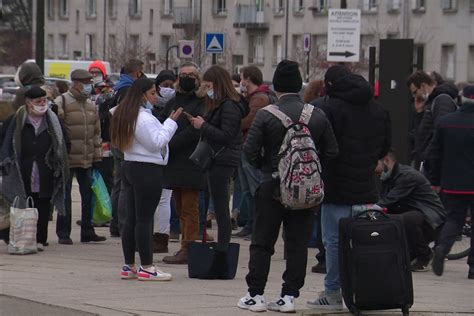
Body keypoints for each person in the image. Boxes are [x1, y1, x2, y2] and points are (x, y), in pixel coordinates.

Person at [238, 60, 339, 313]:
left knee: (263, 241)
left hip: (271, 185)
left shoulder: (266, 115)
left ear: (277, 86)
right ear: (299, 86)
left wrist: (268, 167)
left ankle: (256, 295)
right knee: (296, 244)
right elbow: (332, 151)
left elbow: (249, 152)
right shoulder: (316, 115)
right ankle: (288, 297)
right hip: (305, 190)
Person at [307, 65, 391, 310]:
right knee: (364, 242)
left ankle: (332, 293)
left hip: (335, 188)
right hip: (366, 188)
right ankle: (364, 291)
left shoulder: (326, 108)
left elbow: (316, 144)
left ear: (330, 85)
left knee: (333, 242)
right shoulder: (379, 109)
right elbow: (384, 147)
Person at [111, 77, 181, 281]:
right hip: (147, 169)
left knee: (131, 218)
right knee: (144, 219)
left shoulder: (124, 113)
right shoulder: (142, 117)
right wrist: (171, 123)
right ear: (142, 94)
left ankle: (129, 264)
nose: (155, 97)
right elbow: (156, 142)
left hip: (130, 165)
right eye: (152, 93)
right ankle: (147, 266)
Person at [187, 65, 247, 276]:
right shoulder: (219, 104)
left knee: (221, 208)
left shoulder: (229, 106)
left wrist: (202, 126)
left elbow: (226, 135)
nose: (206, 89)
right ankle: (221, 251)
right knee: (219, 205)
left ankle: (222, 253)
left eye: (209, 85)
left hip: (222, 160)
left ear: (218, 84)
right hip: (217, 160)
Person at [1, 86, 69, 251]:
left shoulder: (53, 120)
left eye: (44, 100)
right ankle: (18, 236)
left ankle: (40, 239)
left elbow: (64, 142)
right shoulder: (16, 120)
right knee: (20, 202)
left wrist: (58, 162)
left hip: (45, 169)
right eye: (39, 101)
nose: (42, 104)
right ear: (28, 103)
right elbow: (4, 141)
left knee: (43, 203)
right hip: (21, 169)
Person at [159, 62, 207, 263]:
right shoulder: (174, 100)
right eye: (184, 74)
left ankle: (189, 247)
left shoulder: (202, 102)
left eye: (191, 75)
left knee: (189, 206)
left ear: (198, 79)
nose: (187, 78)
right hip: (174, 161)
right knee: (179, 205)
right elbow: (163, 121)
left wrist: (170, 142)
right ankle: (185, 246)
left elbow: (195, 130)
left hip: (191, 160)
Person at [428, 85, 474, 280]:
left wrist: (435, 180)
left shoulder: (446, 122)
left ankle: (443, 247)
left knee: (453, 219)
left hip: (452, 183)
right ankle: (473, 268)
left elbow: (434, 154)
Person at [55, 69, 105, 245]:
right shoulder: (62, 101)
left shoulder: (91, 105)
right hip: (67, 159)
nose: (89, 86)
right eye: (86, 82)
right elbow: (56, 130)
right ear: (76, 83)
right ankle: (63, 232)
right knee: (65, 196)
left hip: (87, 158)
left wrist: (97, 157)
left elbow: (96, 134)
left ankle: (87, 230)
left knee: (88, 195)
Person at [376, 150, 446, 272]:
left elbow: (390, 199)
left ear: (386, 161)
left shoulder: (407, 175)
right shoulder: (389, 177)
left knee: (405, 220)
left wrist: (371, 207)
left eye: (376, 166)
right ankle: (412, 253)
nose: (375, 171)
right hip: (417, 215)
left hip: (431, 218)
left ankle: (425, 255)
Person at [233, 65, 277, 239]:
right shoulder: (253, 97)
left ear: (248, 79)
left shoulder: (259, 99)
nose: (241, 82)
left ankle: (257, 226)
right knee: (247, 190)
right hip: (246, 147)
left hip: (250, 148)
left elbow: (247, 122)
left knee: (254, 189)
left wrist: (232, 119)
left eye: (242, 78)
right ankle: (251, 224)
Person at [107, 59, 144, 237]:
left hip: (116, 138)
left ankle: (116, 223)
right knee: (123, 185)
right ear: (137, 73)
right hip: (124, 140)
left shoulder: (118, 87)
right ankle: (121, 224)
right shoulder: (128, 90)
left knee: (118, 184)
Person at [406, 70, 458, 174]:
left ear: (423, 86)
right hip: (430, 163)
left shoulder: (441, 100)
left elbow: (441, 135)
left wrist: (429, 158)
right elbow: (423, 132)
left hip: (434, 166)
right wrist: (420, 113)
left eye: (415, 92)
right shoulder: (430, 102)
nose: (415, 97)